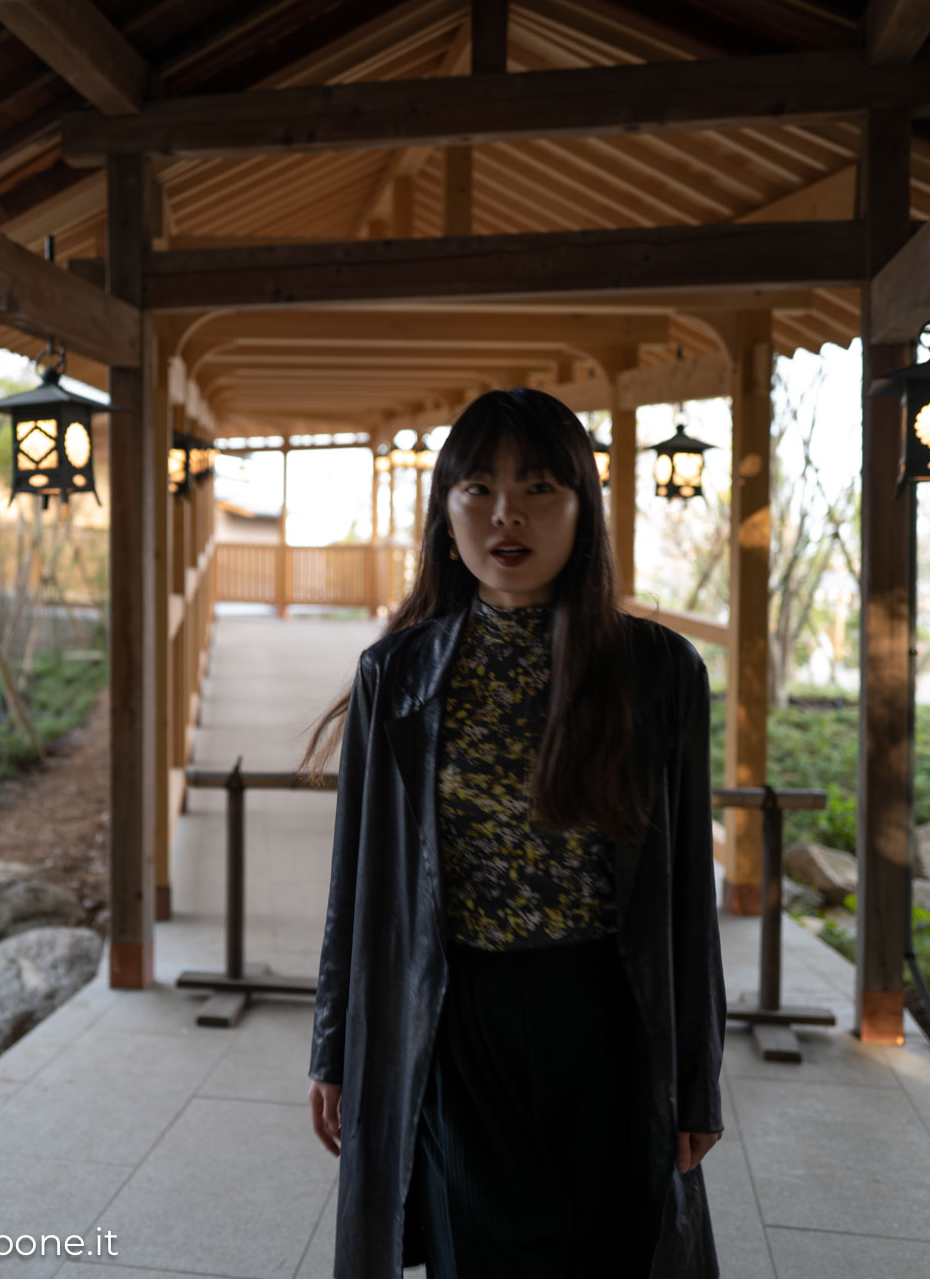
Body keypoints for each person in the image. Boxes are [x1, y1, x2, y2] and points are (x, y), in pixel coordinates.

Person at [298, 387, 725, 1278]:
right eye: (478, 487)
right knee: (483, 1251)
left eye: (539, 487)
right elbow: (358, 885)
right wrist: (335, 1048)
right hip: (462, 1019)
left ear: (583, 509)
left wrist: (698, 1077)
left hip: (610, 1014)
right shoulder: (398, 673)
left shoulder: (658, 672)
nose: (506, 515)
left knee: (612, 1249)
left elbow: (687, 892)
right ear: (444, 508)